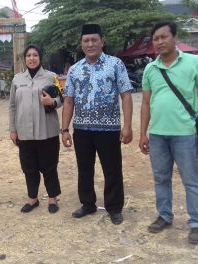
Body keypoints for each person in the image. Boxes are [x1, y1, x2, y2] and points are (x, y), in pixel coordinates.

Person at [139, 22, 198, 245]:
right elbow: (146, 103)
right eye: (155, 38)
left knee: (191, 180)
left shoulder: (193, 62)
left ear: (175, 38)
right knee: (161, 178)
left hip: (185, 134)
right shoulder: (150, 69)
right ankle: (164, 216)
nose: (159, 42)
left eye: (164, 37)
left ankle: (196, 223)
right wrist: (143, 133)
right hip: (157, 135)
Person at [61, 24, 133, 225]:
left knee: (112, 169)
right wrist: (65, 129)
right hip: (82, 130)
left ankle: (114, 208)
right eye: (86, 41)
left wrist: (127, 126)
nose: (90, 44)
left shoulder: (115, 64)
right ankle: (88, 204)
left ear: (102, 41)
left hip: (109, 129)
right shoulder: (75, 70)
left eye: (94, 40)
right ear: (81, 44)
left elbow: (126, 96)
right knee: (84, 169)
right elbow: (68, 100)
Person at [9, 44, 63, 214]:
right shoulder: (17, 79)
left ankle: (52, 198)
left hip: (47, 131)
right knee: (29, 167)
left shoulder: (51, 77)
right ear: (24, 59)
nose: (31, 58)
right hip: (24, 132)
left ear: (40, 58)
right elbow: (12, 106)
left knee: (49, 166)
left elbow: (62, 98)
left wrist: (53, 102)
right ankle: (32, 199)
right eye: (28, 56)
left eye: (35, 55)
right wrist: (13, 129)